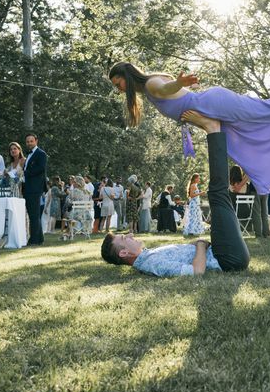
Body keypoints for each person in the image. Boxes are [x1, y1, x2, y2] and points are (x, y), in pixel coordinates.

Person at [108, 62, 270, 195]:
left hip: (214, 104)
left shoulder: (151, 85)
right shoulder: (149, 89)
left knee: (264, 110)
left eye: (116, 82)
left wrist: (178, 83)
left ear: (125, 76)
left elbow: (165, 89)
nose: (117, 88)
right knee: (241, 139)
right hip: (213, 115)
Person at [101, 112, 249, 276]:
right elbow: (196, 271)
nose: (129, 234)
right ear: (123, 253)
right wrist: (200, 245)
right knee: (217, 192)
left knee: (217, 193)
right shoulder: (150, 263)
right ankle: (213, 129)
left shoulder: (147, 256)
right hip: (228, 259)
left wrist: (195, 245)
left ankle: (215, 130)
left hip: (221, 251)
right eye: (124, 239)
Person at [23, 133, 47, 246]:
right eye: (27, 141)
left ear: (36, 141)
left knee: (34, 215)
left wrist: (25, 173)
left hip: (35, 188)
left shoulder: (41, 154)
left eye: (31, 141)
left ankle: (34, 240)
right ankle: (39, 238)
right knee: (34, 214)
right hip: (28, 188)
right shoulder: (29, 155)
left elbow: (40, 169)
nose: (29, 143)